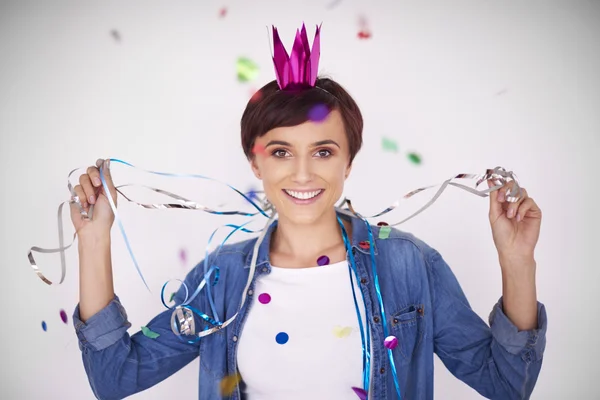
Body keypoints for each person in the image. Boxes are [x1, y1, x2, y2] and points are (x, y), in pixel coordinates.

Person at [70, 24, 547, 400]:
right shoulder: (221, 278)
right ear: (254, 162)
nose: (302, 174)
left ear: (348, 161)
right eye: (280, 152)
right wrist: (93, 240)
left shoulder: (409, 265)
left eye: (322, 152)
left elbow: (507, 385)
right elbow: (116, 380)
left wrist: (517, 260)